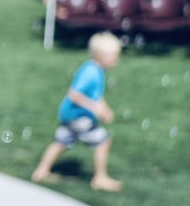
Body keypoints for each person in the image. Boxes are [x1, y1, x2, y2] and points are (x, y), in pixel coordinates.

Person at [31, 31, 124, 192]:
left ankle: (41, 172)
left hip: (69, 115)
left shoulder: (94, 69)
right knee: (103, 142)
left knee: (61, 141)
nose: (116, 61)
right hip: (78, 117)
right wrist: (95, 108)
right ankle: (100, 178)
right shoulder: (92, 73)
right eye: (114, 56)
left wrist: (104, 109)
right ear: (100, 56)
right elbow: (74, 94)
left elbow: (96, 96)